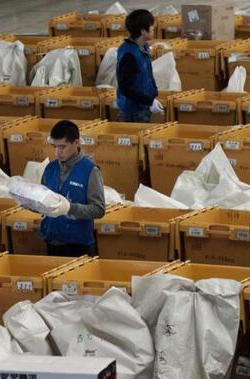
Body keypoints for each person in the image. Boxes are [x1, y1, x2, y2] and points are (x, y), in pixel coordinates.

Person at [39, 120, 105, 257]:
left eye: (62, 147)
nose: (57, 152)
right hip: (51, 241)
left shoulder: (90, 171)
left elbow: (99, 209)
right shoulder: (50, 168)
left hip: (78, 247)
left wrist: (70, 208)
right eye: (54, 146)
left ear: (76, 143)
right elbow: (43, 200)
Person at [116, 9, 162, 123]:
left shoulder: (142, 47)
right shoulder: (130, 55)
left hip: (143, 106)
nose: (153, 29)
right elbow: (125, 87)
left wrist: (152, 95)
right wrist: (149, 101)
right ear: (143, 31)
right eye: (151, 27)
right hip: (134, 112)